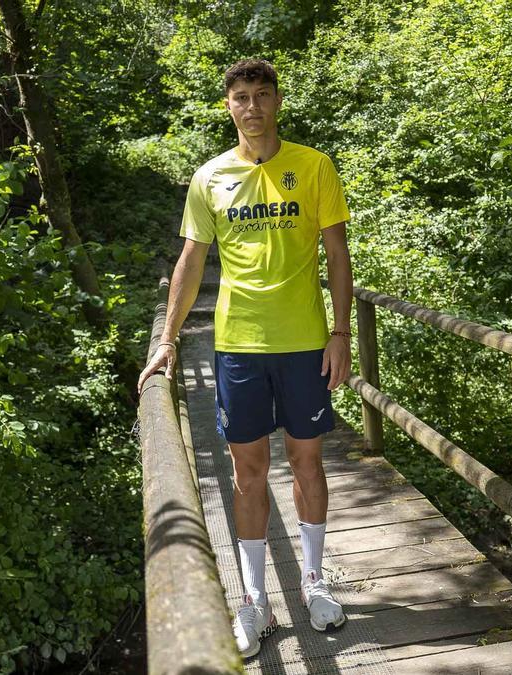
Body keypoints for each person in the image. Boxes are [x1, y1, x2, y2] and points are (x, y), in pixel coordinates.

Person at [136, 58, 354, 658]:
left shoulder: (313, 166)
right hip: (237, 345)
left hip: (306, 342)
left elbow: (337, 254)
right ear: (228, 106)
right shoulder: (209, 177)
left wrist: (342, 333)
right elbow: (191, 261)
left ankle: (313, 582)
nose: (252, 106)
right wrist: (168, 341)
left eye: (262, 94)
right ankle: (254, 600)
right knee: (247, 473)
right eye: (241, 97)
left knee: (308, 466)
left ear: (278, 100)